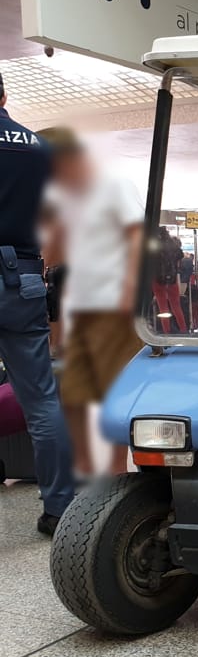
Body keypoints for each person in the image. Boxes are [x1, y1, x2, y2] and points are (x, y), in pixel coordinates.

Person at [41, 126, 144, 477]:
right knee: (78, 390)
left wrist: (130, 288)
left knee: (117, 388)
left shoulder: (114, 184)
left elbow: (136, 235)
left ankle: (118, 469)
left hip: (116, 302)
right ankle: (85, 468)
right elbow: (54, 246)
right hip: (81, 304)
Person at [0, 75, 74, 535]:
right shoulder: (37, 147)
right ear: (4, 95)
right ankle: (59, 508)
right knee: (42, 401)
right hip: (22, 278)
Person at [152, 228, 187, 333]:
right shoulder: (174, 246)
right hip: (172, 279)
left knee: (163, 307)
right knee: (176, 306)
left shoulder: (154, 245)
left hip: (157, 279)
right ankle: (183, 330)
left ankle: (166, 332)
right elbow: (180, 257)